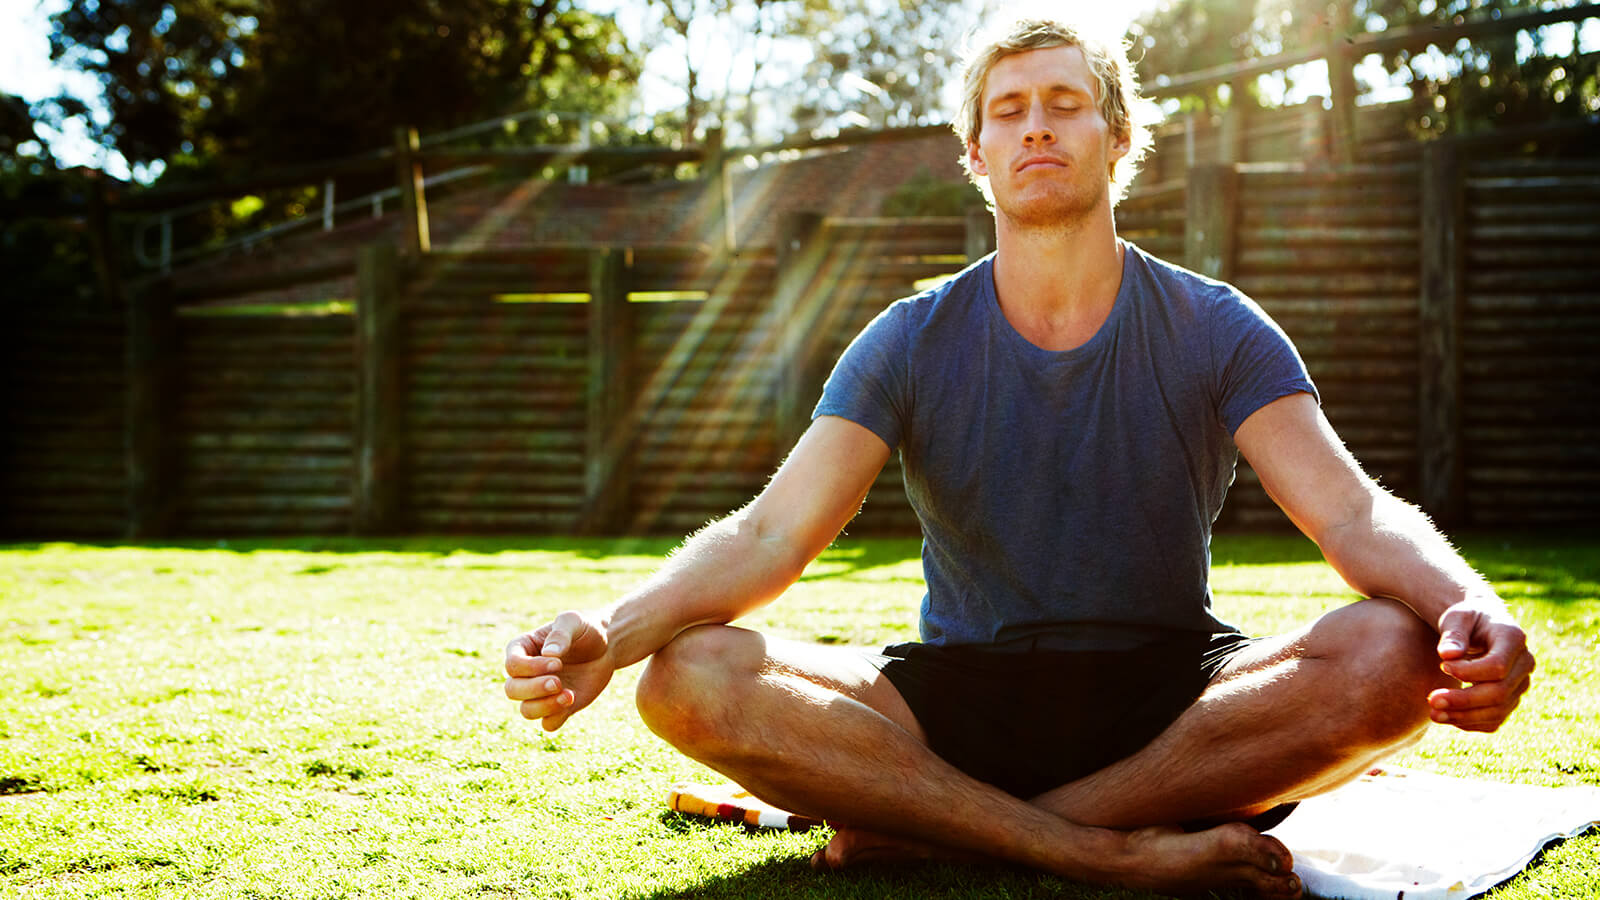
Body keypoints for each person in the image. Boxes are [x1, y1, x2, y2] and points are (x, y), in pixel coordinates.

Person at [505, 15, 1534, 899]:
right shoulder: (908, 338)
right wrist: (614, 630)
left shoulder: (1215, 327)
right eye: (1006, 109)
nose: (1034, 123)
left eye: (1063, 101)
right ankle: (1100, 857)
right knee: (685, 677)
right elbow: (772, 532)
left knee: (1392, 654)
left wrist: (1463, 604)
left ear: (1118, 136)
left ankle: (946, 830)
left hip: (1176, 701)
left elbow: (1350, 515)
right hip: (961, 695)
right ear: (975, 152)